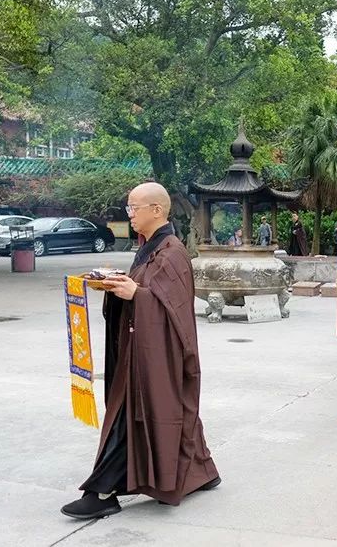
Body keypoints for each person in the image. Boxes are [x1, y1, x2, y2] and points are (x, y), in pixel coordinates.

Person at [61, 182, 219, 520]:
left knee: (129, 415)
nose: (129, 213)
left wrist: (137, 294)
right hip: (139, 349)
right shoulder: (150, 248)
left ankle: (101, 492)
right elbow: (147, 289)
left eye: (134, 207)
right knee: (168, 408)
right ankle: (202, 470)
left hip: (156, 353)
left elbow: (174, 309)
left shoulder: (173, 252)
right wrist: (116, 285)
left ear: (157, 211)